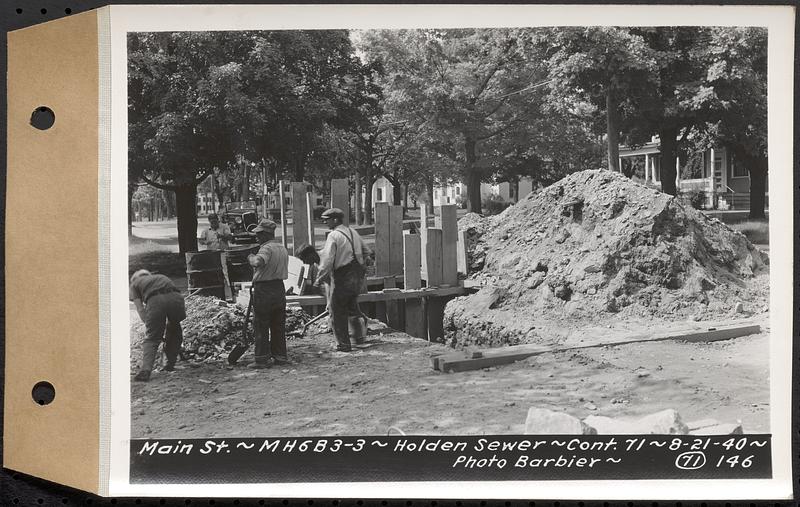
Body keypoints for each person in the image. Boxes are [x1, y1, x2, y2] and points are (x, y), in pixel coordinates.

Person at [314, 208, 372, 352]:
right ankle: (359, 340)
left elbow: (327, 260)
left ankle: (343, 344)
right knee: (352, 308)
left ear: (335, 220)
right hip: (356, 278)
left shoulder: (333, 235)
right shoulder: (353, 232)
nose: (324, 222)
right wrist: (362, 264)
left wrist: (319, 278)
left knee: (337, 311)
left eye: (327, 219)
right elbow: (367, 252)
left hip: (342, 277)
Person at [247, 219, 290, 368]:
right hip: (279, 288)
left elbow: (258, 262)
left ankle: (261, 359)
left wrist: (251, 258)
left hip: (264, 290)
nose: (257, 238)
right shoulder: (282, 248)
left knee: (261, 324)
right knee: (278, 324)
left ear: (266, 234)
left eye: (259, 234)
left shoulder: (266, 248)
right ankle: (280, 356)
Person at [129, 269, 186, 382]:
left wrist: (151, 325)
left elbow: (140, 308)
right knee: (174, 328)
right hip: (177, 298)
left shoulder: (135, 284)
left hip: (156, 300)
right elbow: (172, 294)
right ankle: (170, 363)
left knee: (152, 338)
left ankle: (145, 370)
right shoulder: (161, 276)